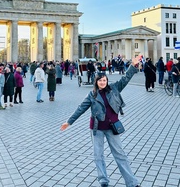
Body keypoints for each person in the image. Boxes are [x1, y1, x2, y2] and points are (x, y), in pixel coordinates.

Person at [60, 55, 142, 187]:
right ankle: (103, 181)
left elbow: (126, 78)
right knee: (98, 156)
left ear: (107, 81)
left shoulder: (115, 88)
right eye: (100, 81)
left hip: (112, 127)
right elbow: (80, 109)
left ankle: (132, 183)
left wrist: (133, 65)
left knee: (120, 155)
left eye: (104, 80)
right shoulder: (92, 95)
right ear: (96, 82)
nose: (102, 82)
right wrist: (69, 122)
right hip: (97, 129)